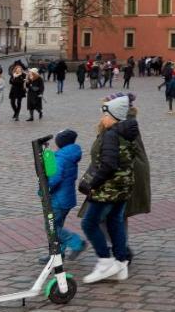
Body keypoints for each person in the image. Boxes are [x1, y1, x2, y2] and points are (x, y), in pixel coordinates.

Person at [79, 95, 137, 283]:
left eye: (104, 114)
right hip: (123, 187)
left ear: (113, 116)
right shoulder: (127, 132)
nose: (102, 118)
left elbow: (108, 164)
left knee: (89, 223)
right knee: (115, 222)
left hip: (108, 189)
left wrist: (92, 184)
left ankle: (105, 261)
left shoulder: (111, 134)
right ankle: (121, 263)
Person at [45, 129, 86, 261]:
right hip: (66, 198)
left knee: (51, 227)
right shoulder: (68, 155)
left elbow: (54, 179)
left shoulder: (61, 158)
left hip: (58, 199)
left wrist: (44, 190)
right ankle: (58, 254)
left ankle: (76, 242)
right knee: (57, 225)